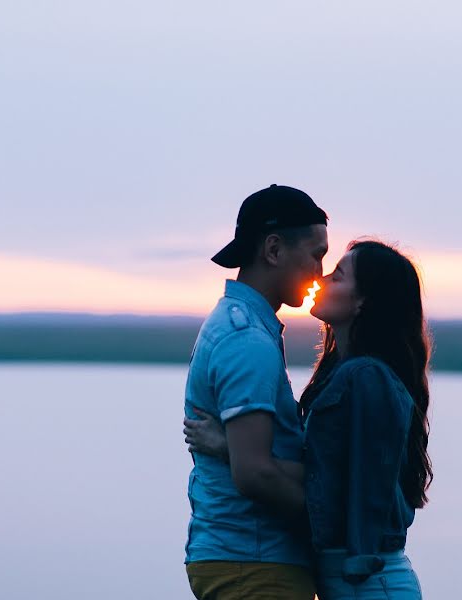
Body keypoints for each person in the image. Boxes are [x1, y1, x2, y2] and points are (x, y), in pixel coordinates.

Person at [186, 239, 433, 599]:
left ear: (363, 300)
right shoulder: (341, 373)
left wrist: (232, 451)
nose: (322, 278)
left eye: (338, 275)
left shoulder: (366, 377)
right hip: (349, 583)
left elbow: (354, 488)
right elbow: (326, 472)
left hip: (369, 582)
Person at [183, 184, 329, 600]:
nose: (320, 272)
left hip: (248, 560)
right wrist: (331, 522)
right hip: (254, 563)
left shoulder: (245, 326)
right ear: (273, 250)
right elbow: (256, 473)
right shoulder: (247, 339)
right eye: (316, 254)